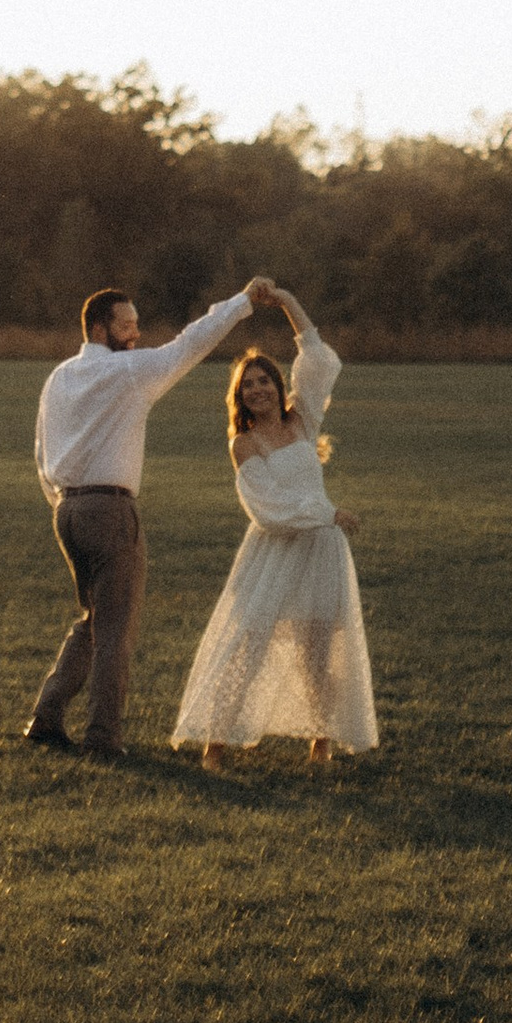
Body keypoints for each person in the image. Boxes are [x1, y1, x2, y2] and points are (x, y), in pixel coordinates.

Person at [23, 272, 278, 759]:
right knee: (115, 631)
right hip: (109, 511)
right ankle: (103, 739)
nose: (136, 334)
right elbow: (192, 342)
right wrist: (243, 301)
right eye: (127, 325)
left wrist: (61, 503)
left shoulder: (59, 377)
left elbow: (41, 449)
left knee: (93, 620)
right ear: (99, 329)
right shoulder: (128, 372)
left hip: (67, 512)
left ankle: (46, 717)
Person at [172, 281, 377, 770]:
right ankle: (215, 745)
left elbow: (318, 359)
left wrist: (285, 301)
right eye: (248, 385)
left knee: (318, 650)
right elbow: (267, 508)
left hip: (321, 550)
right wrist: (328, 513)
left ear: (278, 386)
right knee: (248, 645)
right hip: (273, 552)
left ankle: (321, 742)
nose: (258, 389)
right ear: (239, 397)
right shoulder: (244, 444)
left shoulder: (302, 420)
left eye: (265, 381)